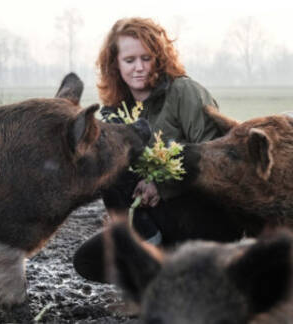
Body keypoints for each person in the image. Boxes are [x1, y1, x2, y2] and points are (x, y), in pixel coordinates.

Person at [73, 17, 227, 283]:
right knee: (87, 260)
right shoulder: (113, 111)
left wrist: (161, 183)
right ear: (115, 64)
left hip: (201, 214)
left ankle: (169, 268)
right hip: (151, 221)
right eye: (130, 60)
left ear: (160, 58)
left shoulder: (184, 91)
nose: (139, 68)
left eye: (146, 58)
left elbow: (216, 153)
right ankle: (149, 251)